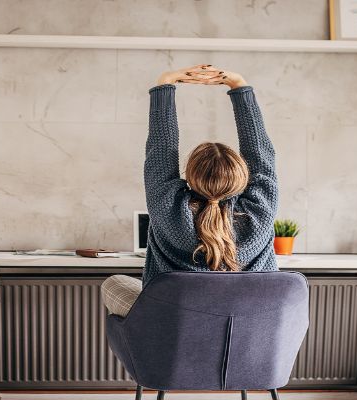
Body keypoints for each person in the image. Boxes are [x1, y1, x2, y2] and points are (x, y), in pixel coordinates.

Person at [101, 64, 278, 317]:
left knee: (114, 282)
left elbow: (161, 149)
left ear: (191, 177)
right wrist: (239, 85)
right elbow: (261, 152)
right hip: (251, 331)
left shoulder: (168, 204)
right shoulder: (261, 209)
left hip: (173, 329)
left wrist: (166, 82)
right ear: (242, 176)